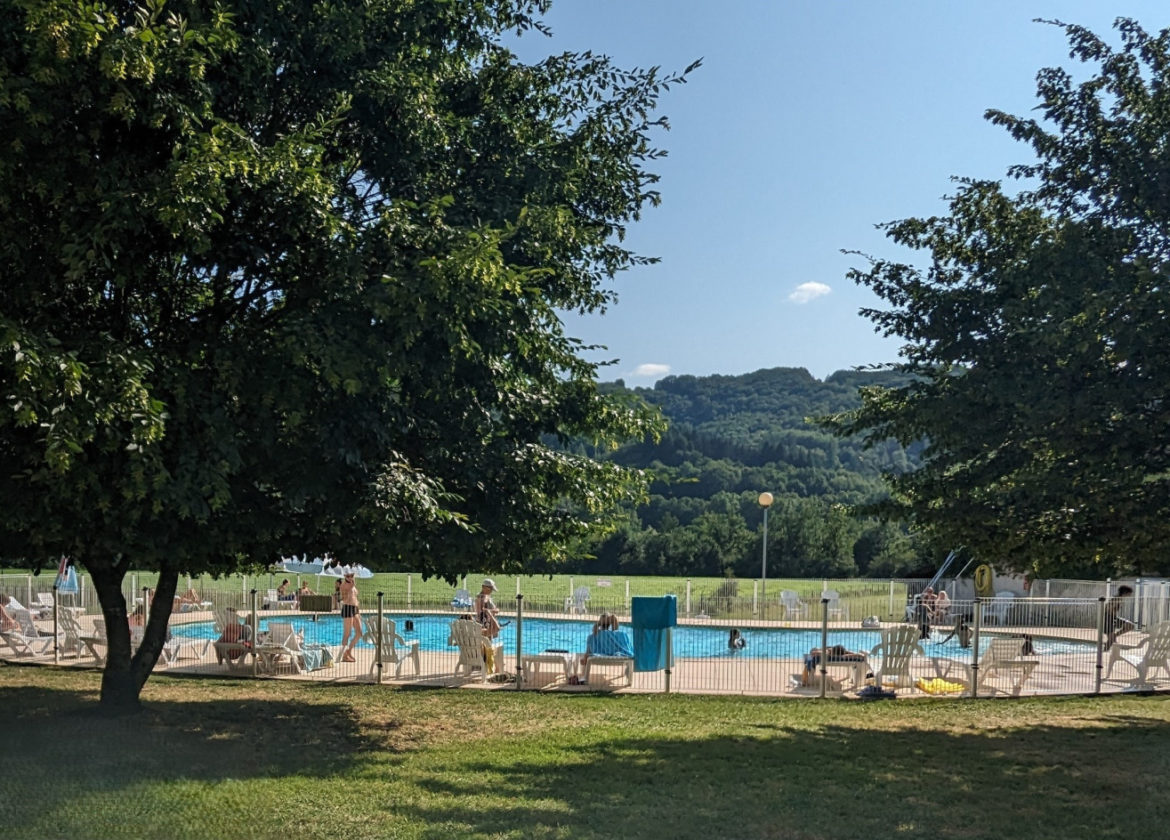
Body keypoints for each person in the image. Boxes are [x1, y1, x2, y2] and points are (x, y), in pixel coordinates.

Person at [574, 613, 633, 683]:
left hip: (599, 656)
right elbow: (616, 629)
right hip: (620, 657)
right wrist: (612, 619)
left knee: (583, 658)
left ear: (599, 623)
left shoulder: (592, 636)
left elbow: (587, 653)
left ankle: (584, 677)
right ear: (610, 624)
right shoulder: (621, 635)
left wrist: (584, 659)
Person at [1104, 585, 1135, 651]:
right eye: (1129, 593)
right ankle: (1104, 652)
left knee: (1130, 626)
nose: (1130, 595)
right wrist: (1112, 610)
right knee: (1111, 641)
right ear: (1125, 592)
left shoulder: (1120, 599)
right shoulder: (1116, 599)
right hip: (1108, 619)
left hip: (1114, 618)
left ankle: (1115, 635)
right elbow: (1107, 608)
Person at [339, 572, 361, 662]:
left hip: (355, 609)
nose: (350, 577)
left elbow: (355, 598)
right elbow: (344, 600)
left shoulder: (353, 584)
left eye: (352, 575)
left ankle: (348, 651)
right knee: (347, 633)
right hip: (347, 608)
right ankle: (343, 655)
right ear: (344, 576)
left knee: (359, 633)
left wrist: (358, 612)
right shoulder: (343, 586)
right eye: (348, 576)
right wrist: (350, 589)